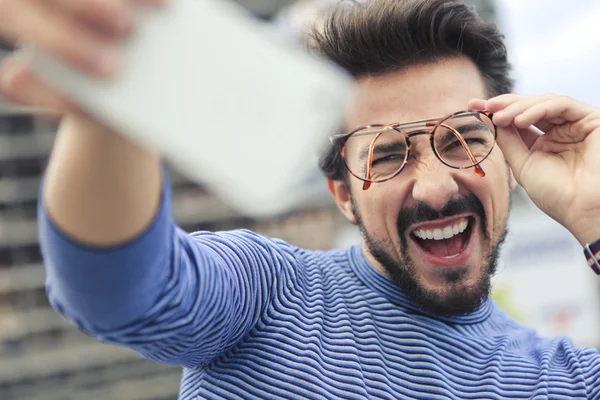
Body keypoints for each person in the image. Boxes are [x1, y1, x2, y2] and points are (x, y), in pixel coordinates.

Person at [1, 0, 600, 398]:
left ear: (510, 167)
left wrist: (595, 220)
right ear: (341, 194)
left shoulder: (565, 379)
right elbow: (125, 293)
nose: (438, 186)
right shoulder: (267, 297)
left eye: (464, 141)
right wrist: (114, 109)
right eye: (387, 154)